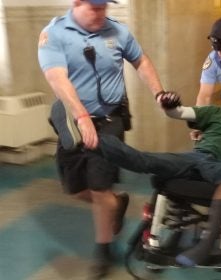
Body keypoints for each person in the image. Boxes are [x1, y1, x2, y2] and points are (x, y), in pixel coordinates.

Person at [50, 80, 221, 268]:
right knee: (147, 159)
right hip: (196, 158)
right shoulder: (216, 113)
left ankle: (207, 241)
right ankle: (86, 139)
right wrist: (171, 104)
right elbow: (179, 112)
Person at [37, 0, 166, 278]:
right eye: (94, 7)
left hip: (110, 120)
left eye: (104, 7)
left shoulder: (118, 31)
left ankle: (103, 250)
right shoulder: (55, 33)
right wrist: (82, 117)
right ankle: (116, 203)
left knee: (98, 187)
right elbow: (57, 77)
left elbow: (140, 60)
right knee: (74, 189)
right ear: (77, 3)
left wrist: (158, 92)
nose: (101, 13)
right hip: (73, 121)